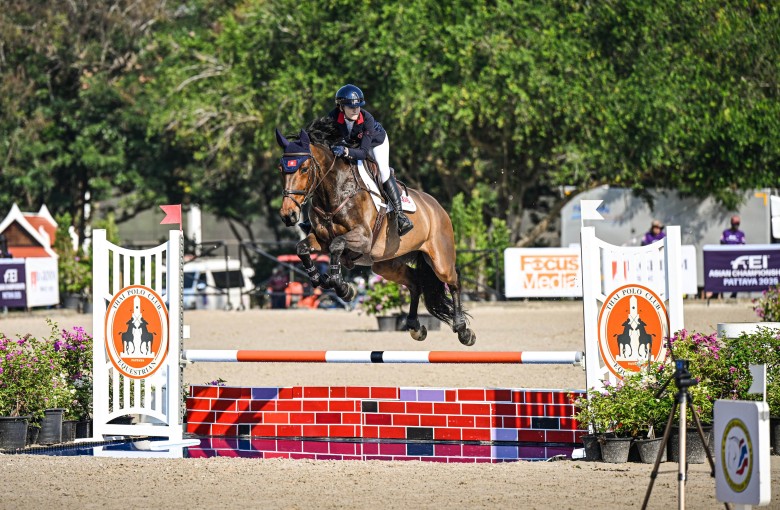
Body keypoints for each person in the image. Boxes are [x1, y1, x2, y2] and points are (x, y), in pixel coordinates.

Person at [326, 84, 413, 237]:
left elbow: (363, 152)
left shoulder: (367, 119)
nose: (355, 110)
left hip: (375, 143)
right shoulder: (332, 117)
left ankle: (400, 216)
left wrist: (345, 151)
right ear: (341, 107)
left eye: (358, 106)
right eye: (351, 106)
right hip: (353, 143)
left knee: (383, 171)